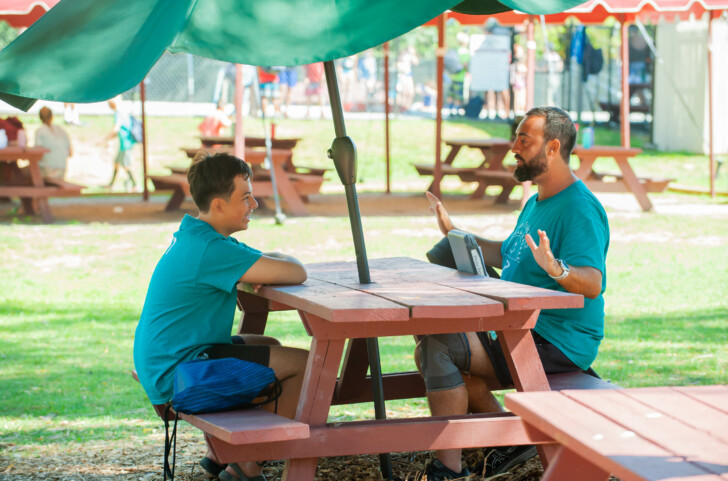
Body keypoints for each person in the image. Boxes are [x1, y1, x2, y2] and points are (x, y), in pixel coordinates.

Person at [417, 107, 610, 480]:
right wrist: (456, 235)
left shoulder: (579, 208)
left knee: (437, 346)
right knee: (436, 332)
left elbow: (593, 282)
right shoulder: (536, 201)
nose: (514, 148)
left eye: (525, 140)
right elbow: (506, 253)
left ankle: (449, 469)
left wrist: (558, 269)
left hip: (552, 339)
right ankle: (507, 437)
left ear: (553, 147)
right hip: (521, 325)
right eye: (516, 138)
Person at [133, 152, 309, 481]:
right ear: (218, 205)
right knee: (307, 365)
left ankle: (224, 453)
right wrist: (276, 262)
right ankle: (246, 462)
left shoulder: (198, 236)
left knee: (268, 343)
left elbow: (261, 261)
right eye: (245, 197)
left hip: (164, 362)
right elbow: (295, 272)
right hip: (179, 375)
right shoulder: (214, 251)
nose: (254, 203)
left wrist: (260, 264)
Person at [105, 97, 137, 191]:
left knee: (126, 165)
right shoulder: (121, 112)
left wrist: (106, 139)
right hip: (124, 145)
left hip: (126, 144)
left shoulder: (119, 113)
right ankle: (111, 185)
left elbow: (116, 129)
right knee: (116, 163)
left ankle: (135, 185)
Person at [34, 107, 72, 179]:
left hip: (47, 171)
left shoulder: (39, 131)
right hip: (61, 168)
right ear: (52, 116)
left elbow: (37, 153)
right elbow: (70, 153)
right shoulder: (62, 130)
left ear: (40, 117)